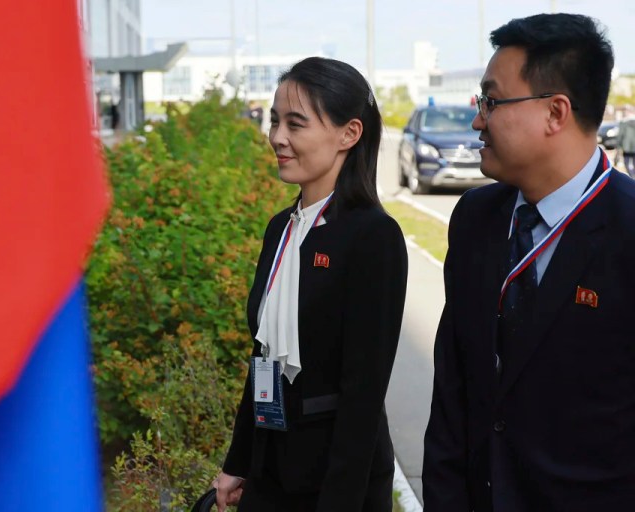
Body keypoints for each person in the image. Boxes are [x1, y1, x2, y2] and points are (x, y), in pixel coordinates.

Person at [423, 13, 635, 512]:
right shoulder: (476, 219)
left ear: (555, 113)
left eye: (491, 101)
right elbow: (453, 396)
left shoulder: (627, 231)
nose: (477, 119)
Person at [212, 56, 408, 512]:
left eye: (295, 124)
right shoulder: (281, 228)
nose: (277, 137)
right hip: (269, 468)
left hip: (337, 482)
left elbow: (364, 393)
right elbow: (262, 359)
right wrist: (237, 462)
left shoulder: (372, 237)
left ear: (349, 134)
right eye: (275, 121)